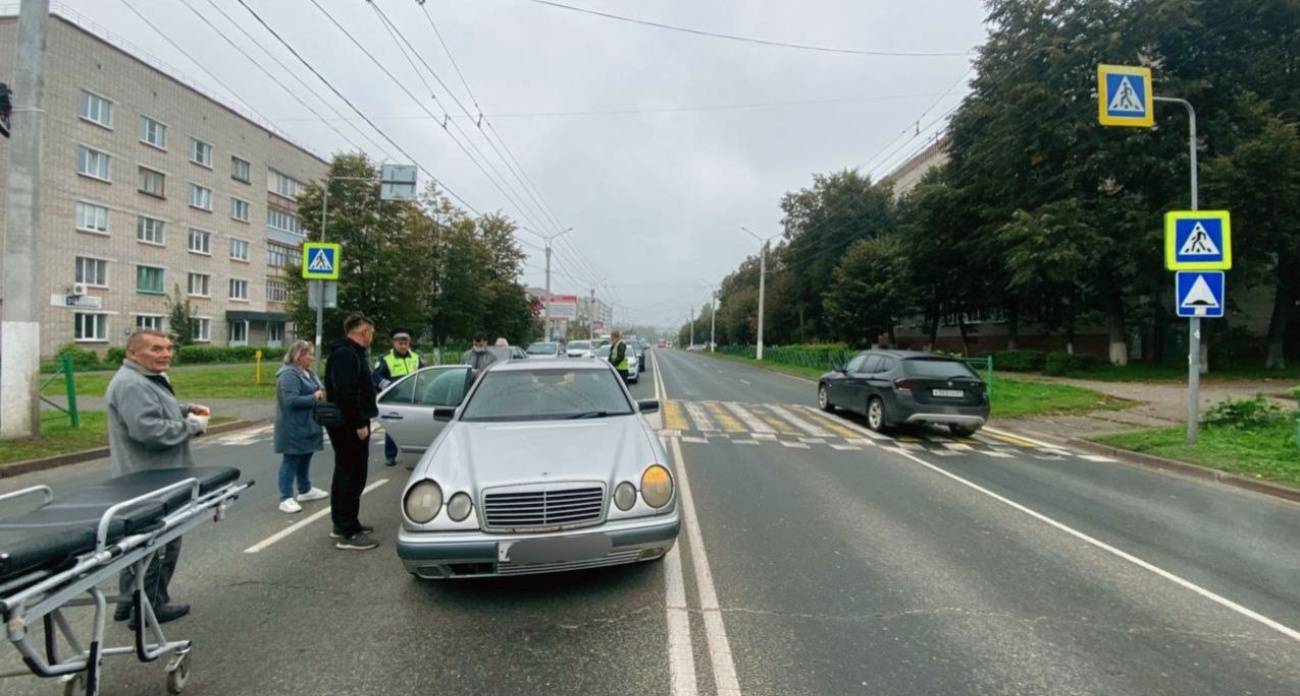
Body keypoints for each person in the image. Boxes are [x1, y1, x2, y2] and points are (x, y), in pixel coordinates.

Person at [105, 329, 208, 627]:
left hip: (149, 476)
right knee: (160, 544)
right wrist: (192, 426)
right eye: (155, 349)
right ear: (132, 353)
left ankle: (127, 603)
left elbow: (157, 409)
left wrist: (185, 409)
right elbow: (148, 430)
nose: (165, 353)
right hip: (152, 480)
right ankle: (149, 608)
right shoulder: (133, 384)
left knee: (137, 543)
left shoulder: (143, 379)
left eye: (167, 347)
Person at [324, 314, 380, 551]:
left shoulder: (349, 353)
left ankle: (345, 522)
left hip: (349, 421)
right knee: (352, 474)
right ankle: (348, 532)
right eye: (371, 332)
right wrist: (359, 423)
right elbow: (347, 393)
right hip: (349, 424)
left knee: (346, 471)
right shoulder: (346, 355)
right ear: (363, 331)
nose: (372, 337)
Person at [274, 341, 329, 513]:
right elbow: (292, 401)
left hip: (308, 424)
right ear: (299, 356)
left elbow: (320, 389)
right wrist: (314, 397)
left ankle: (305, 490)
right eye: (310, 354)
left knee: (306, 456)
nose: (313, 358)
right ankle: (285, 497)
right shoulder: (288, 375)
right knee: (291, 460)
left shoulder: (308, 372)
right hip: (293, 426)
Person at [372, 328, 424, 467]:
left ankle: (414, 457)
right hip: (395, 400)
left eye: (405, 343)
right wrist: (388, 386)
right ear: (394, 343)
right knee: (392, 428)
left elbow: (423, 373)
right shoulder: (386, 359)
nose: (403, 346)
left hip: (414, 398)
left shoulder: (415, 357)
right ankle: (390, 456)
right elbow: (375, 376)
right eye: (400, 343)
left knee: (414, 428)